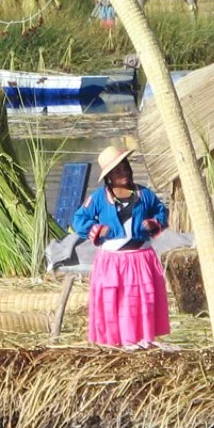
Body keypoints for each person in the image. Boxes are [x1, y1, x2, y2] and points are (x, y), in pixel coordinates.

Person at [72, 146, 171, 349]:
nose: (124, 173)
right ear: (109, 176)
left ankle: (141, 339)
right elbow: (78, 219)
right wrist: (97, 229)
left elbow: (162, 212)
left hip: (140, 257)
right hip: (112, 261)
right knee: (115, 299)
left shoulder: (144, 195)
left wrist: (154, 223)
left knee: (141, 299)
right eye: (117, 171)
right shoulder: (99, 198)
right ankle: (116, 341)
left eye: (126, 168)